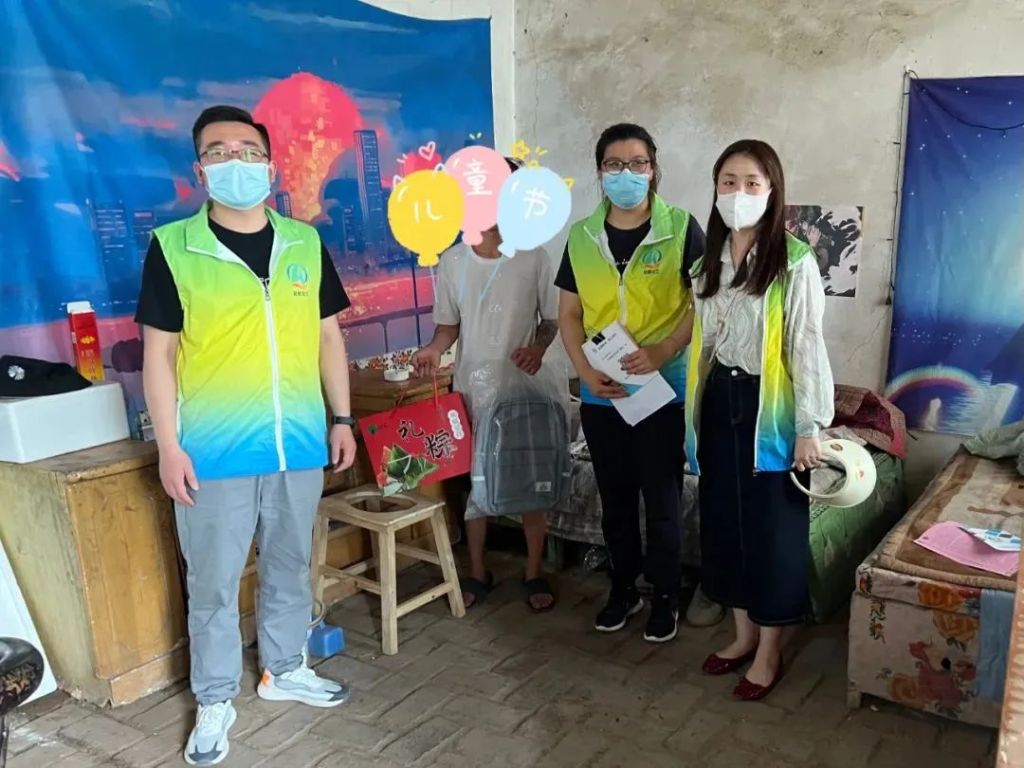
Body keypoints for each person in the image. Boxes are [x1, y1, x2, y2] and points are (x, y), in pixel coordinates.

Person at [136, 105, 356, 766]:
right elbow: (158, 355)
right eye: (219, 151)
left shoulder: (304, 243)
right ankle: (213, 699)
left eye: (248, 150)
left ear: (270, 164)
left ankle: (283, 668)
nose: (236, 161)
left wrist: (342, 418)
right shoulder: (174, 247)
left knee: (290, 564)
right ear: (200, 169)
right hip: (214, 451)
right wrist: (169, 446)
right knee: (213, 582)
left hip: (298, 443)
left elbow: (328, 338)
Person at [686, 139, 834, 701]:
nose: (739, 192)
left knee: (772, 529)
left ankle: (770, 650)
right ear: (715, 189)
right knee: (724, 520)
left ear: (772, 191)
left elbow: (806, 344)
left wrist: (809, 427)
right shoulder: (707, 263)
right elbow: (704, 346)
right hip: (718, 401)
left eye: (752, 182)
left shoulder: (793, 261)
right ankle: (742, 635)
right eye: (729, 181)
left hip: (768, 407)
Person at [557, 123, 704, 643]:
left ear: (653, 169)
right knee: (614, 499)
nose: (627, 173)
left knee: (662, 499)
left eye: (637, 163)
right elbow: (569, 314)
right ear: (600, 172)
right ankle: (623, 589)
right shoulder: (582, 236)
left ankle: (665, 594)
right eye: (614, 164)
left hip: (661, 387)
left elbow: (704, 305)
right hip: (602, 390)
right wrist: (584, 371)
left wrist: (663, 350)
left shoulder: (682, 228)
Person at [413, 157, 561, 613]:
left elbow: (552, 320)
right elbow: (448, 327)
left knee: (530, 479)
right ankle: (478, 572)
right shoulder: (454, 261)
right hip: (472, 393)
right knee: (476, 483)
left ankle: (533, 571)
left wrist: (536, 349)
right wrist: (433, 350)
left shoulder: (534, 256)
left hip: (523, 391)